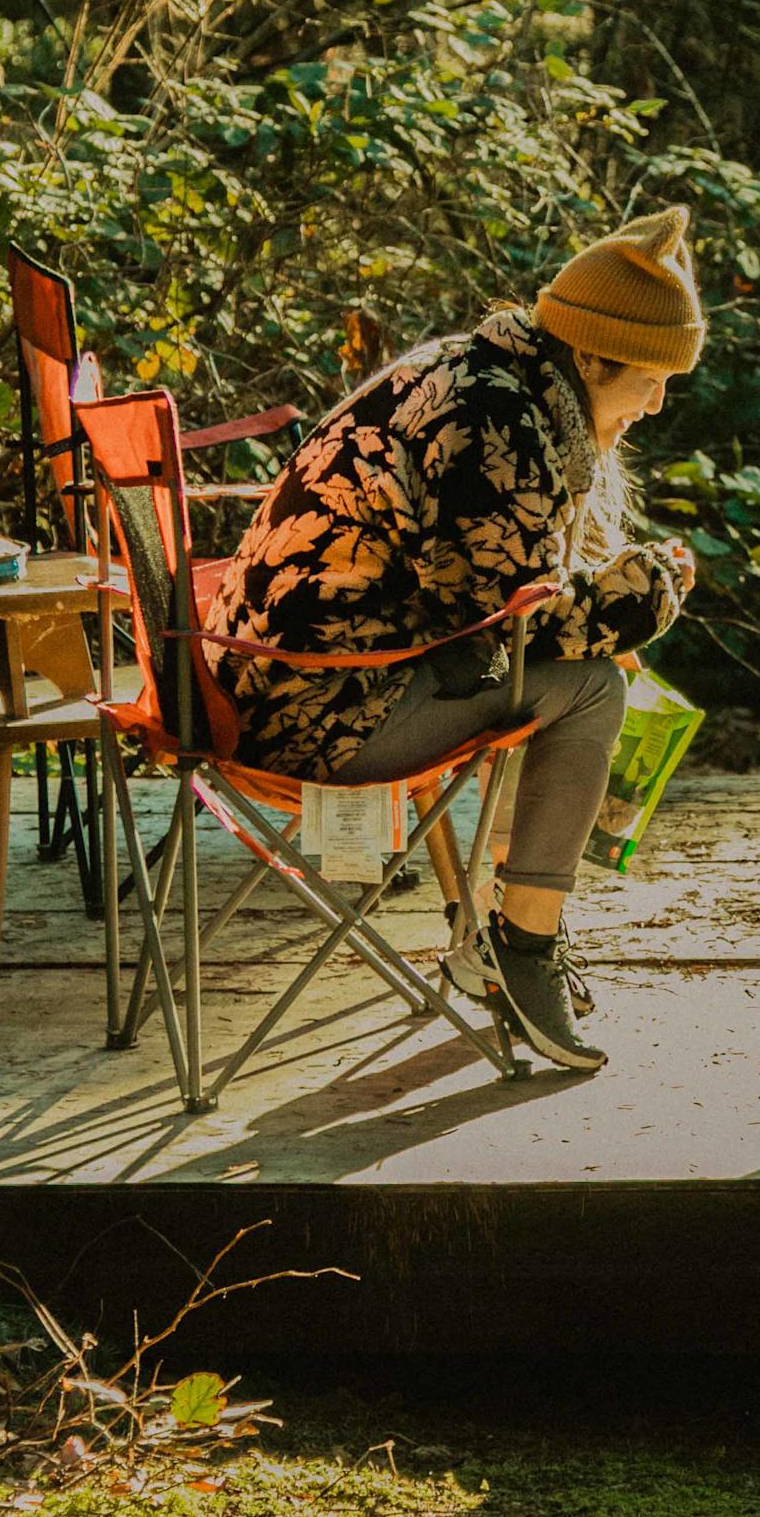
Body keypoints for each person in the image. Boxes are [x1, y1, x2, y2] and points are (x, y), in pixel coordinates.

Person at [208, 208, 705, 1070]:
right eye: (653, 378)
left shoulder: (476, 370)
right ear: (591, 358)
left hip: (256, 673)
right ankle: (522, 946)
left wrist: (606, 603)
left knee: (576, 669)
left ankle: (496, 920)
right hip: (312, 704)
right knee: (594, 689)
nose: (660, 402)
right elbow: (507, 625)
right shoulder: (497, 425)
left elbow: (488, 600)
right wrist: (649, 592)